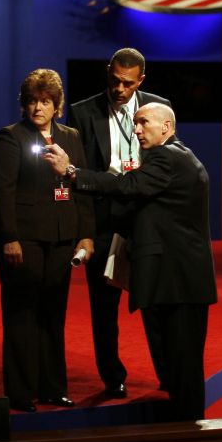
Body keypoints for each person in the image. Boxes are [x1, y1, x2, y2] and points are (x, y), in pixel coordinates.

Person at [45, 103, 217, 421]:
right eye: (135, 123)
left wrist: (72, 172)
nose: (136, 130)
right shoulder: (182, 155)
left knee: (183, 363)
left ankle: (188, 434)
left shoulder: (167, 156)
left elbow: (127, 186)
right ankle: (185, 428)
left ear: (167, 126)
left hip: (177, 279)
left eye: (143, 123)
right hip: (182, 278)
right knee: (181, 362)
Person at [66, 48, 172, 398]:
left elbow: (168, 167)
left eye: (128, 83)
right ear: (107, 72)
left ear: (141, 80)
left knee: (154, 303)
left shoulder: (158, 109)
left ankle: (167, 374)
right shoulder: (82, 112)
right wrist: (84, 233)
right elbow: (80, 177)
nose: (120, 89)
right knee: (103, 309)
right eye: (114, 80)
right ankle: (113, 378)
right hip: (103, 218)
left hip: (146, 218)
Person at [0, 69, 94, 413]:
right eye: (33, 101)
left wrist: (86, 234)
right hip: (24, 240)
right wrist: (10, 238)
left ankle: (52, 388)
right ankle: (20, 392)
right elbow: (3, 191)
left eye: (45, 101)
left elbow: (81, 189)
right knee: (22, 314)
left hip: (63, 239)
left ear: (57, 105)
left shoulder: (72, 137)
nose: (38, 108)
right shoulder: (11, 137)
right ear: (24, 105)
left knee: (53, 315)